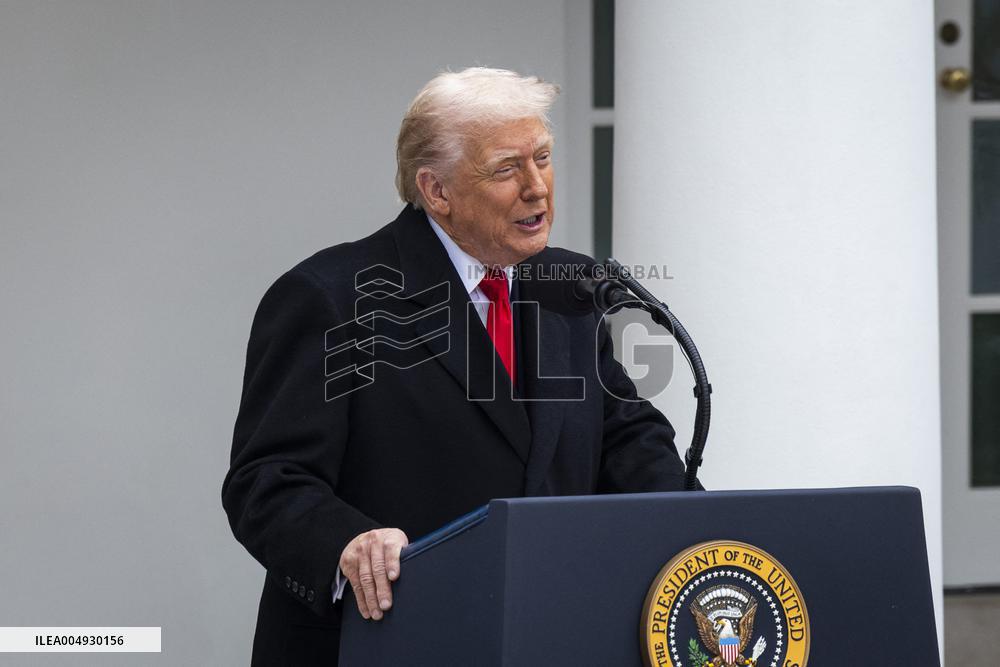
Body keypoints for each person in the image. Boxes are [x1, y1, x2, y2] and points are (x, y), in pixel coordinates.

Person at [222, 67, 690, 666]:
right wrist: (346, 542)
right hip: (388, 641)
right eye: (505, 168)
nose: (537, 187)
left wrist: (689, 525)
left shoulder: (568, 283)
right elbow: (266, 480)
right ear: (437, 191)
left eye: (542, 159)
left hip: (547, 634)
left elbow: (626, 438)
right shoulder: (335, 296)